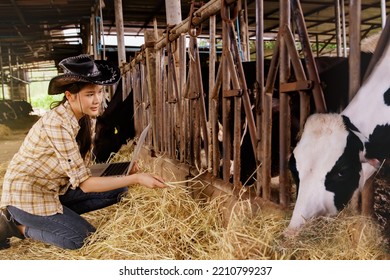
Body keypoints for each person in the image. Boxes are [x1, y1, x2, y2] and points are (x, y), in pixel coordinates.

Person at [0, 54, 166, 250]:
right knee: (84, 239)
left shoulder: (87, 118)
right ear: (70, 96)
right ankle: (15, 226)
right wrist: (137, 178)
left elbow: (82, 172)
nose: (98, 100)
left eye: (101, 91)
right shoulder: (57, 124)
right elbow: (86, 185)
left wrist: (121, 169)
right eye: (90, 94)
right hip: (28, 197)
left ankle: (55, 219)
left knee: (118, 190)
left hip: (55, 188)